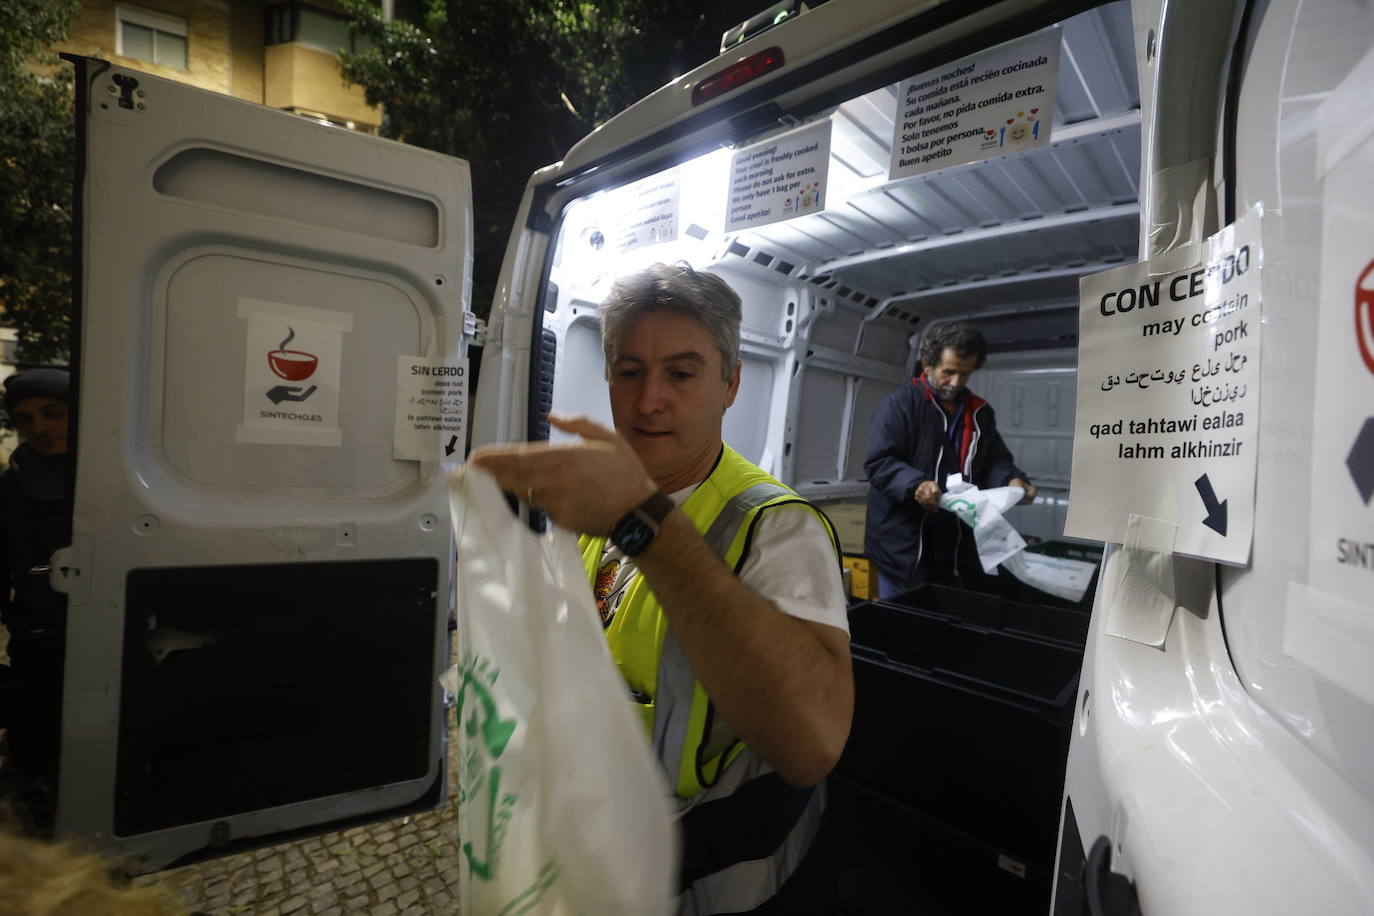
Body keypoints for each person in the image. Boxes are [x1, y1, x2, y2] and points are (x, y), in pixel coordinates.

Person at [470, 263, 853, 915]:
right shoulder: (605, 496)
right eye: (628, 371)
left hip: (708, 878)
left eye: (681, 373)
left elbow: (813, 743)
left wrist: (644, 524)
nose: (649, 401)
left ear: (730, 384)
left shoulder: (776, 528)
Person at [864, 322, 1036, 599]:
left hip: (954, 537)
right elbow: (880, 462)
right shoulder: (899, 406)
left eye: (965, 374)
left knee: (945, 612)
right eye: (949, 372)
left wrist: (1011, 479)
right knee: (904, 618)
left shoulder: (980, 412)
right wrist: (915, 485)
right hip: (906, 543)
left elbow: (994, 460)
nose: (956, 383)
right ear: (927, 364)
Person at [0, 368, 74, 834]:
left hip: (109, 646)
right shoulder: (9, 489)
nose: (39, 428)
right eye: (25, 419)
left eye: (53, 413)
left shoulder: (114, 483)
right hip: (37, 651)